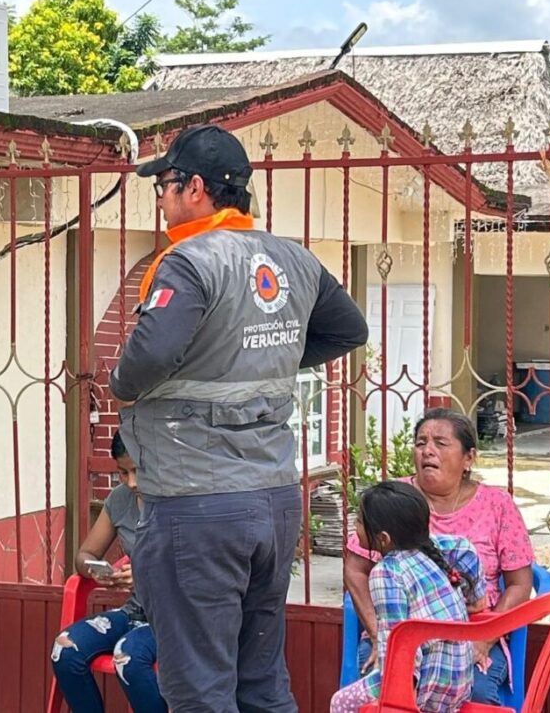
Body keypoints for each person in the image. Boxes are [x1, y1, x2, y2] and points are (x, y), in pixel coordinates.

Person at [110, 124, 368, 712]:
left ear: (194, 187)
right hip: (273, 498)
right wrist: (268, 361)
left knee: (199, 686)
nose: (160, 196)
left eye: (165, 184)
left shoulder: (190, 260)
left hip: (195, 499)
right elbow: (348, 328)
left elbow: (146, 358)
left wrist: (122, 384)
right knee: (261, 679)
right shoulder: (294, 258)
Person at [343, 408, 536, 705]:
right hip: (395, 634)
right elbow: (355, 568)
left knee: (476, 692)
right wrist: (378, 634)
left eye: (440, 443)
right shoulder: (395, 498)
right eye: (421, 443)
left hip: (472, 633)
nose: (427, 451)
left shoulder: (498, 504)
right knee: (386, 694)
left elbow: (520, 584)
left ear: (468, 458)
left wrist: (485, 638)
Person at [331, 481, 485, 713]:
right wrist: (476, 598)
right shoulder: (436, 548)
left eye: (359, 522)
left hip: (425, 688)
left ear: (383, 538)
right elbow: (466, 549)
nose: (355, 527)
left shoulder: (387, 573)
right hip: (459, 686)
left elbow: (397, 649)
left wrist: (401, 705)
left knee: (341, 702)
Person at [51, 431, 166, 713]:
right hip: (134, 612)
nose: (132, 481)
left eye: (138, 470)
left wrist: (144, 576)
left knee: (128, 655)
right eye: (123, 472)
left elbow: (197, 570)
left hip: (174, 618)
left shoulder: (177, 502)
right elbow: (84, 556)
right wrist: (96, 571)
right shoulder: (120, 500)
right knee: (63, 650)